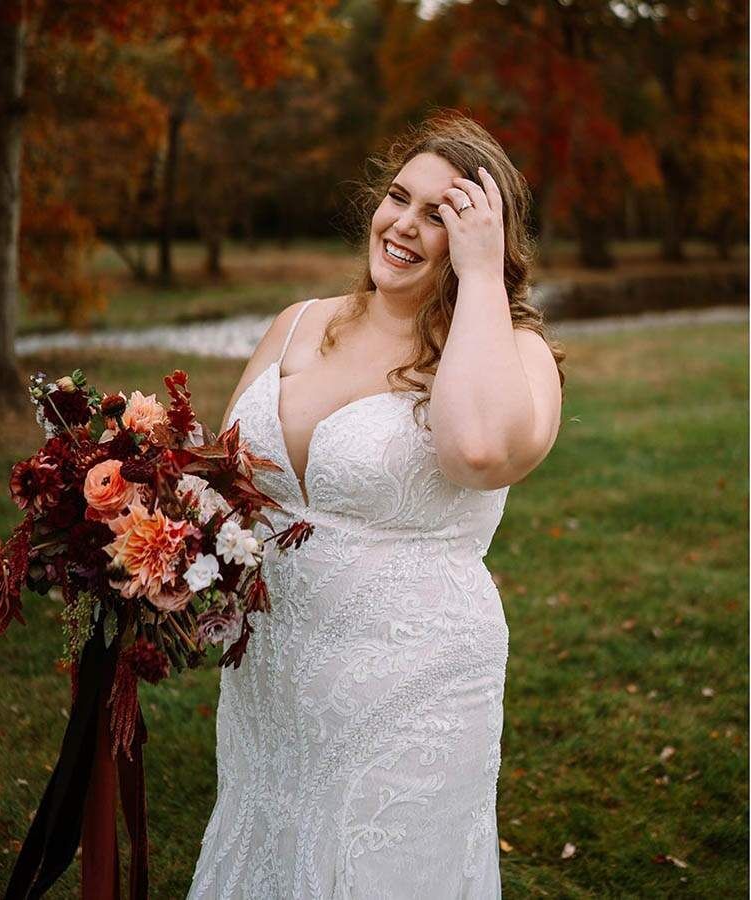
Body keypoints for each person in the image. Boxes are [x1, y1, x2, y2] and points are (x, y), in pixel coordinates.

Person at [187, 111, 565, 899]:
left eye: (442, 216)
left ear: (483, 239)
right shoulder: (298, 324)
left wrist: (484, 277)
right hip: (273, 681)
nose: (405, 225)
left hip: (410, 690)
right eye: (400, 198)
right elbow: (222, 482)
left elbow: (479, 452)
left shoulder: (517, 356)